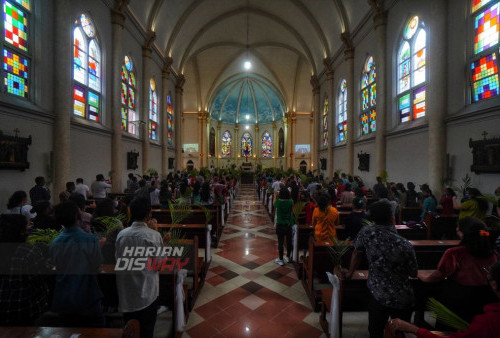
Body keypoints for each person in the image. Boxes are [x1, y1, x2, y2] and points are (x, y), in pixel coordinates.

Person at [345, 201, 418, 338]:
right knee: (399, 332)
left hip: (378, 293)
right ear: (392, 217)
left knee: (375, 330)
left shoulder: (367, 232)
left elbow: (357, 253)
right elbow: (413, 273)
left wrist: (350, 273)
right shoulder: (404, 244)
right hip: (402, 295)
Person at [389, 260, 500, 338]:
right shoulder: (493, 254)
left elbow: (435, 277)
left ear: (494, 284)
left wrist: (413, 329)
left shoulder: (488, 322)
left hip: (455, 305)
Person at [419, 217, 498, 323]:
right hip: (487, 298)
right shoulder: (494, 254)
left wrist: (424, 278)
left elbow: (439, 275)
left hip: (460, 300)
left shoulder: (454, 253)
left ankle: (430, 326)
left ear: (462, 233)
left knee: (427, 299)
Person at [115, 198, 166, 338]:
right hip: (147, 292)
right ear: (148, 214)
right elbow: (160, 265)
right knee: (146, 331)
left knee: (130, 330)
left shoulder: (121, 235)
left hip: (126, 292)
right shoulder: (153, 236)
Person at [49, 200, 104, 327]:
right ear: (77, 217)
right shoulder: (89, 239)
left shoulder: (55, 242)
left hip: (63, 295)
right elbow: (97, 265)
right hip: (87, 295)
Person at [0, 214, 50, 325]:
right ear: (22, 231)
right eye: (27, 225)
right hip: (25, 309)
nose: (30, 227)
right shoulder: (28, 251)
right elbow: (40, 277)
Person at [274, 188, 294, 266]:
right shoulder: (291, 201)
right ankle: (288, 257)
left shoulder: (278, 202)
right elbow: (291, 210)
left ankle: (281, 259)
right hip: (289, 224)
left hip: (280, 225)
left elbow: (274, 204)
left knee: (280, 242)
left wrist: (275, 196)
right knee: (289, 242)